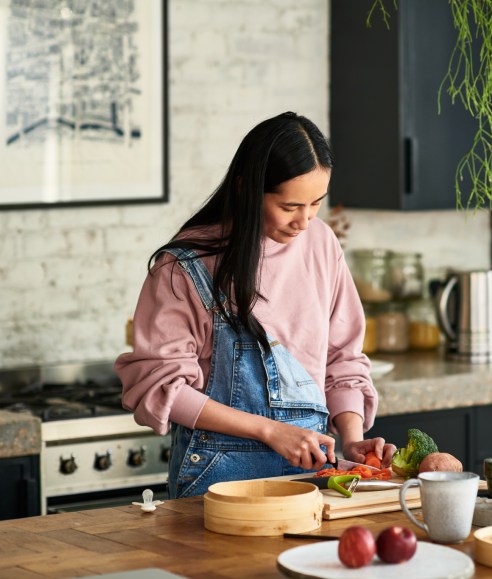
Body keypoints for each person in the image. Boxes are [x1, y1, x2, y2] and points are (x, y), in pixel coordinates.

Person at [115, 112, 395, 498]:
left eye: (316, 203)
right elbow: (163, 387)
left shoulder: (321, 244)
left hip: (313, 478)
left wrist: (352, 438)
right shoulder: (185, 266)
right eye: (289, 205)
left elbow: (342, 358)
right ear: (247, 189)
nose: (304, 220)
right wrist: (270, 431)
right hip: (219, 482)